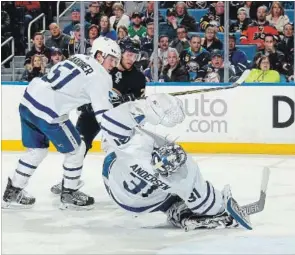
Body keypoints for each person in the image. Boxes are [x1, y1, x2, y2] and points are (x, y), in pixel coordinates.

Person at [2, 37, 121, 210]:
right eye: (112, 59)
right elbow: (103, 115)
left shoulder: (78, 57)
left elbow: (74, 87)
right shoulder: (101, 76)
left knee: (37, 150)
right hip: (49, 111)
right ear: (100, 55)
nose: (114, 65)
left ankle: (12, 193)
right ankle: (69, 194)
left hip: (29, 101)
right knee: (78, 149)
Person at [99, 93, 249, 230]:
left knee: (113, 146)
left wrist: (143, 107)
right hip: (145, 202)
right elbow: (206, 203)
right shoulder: (182, 178)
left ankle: (174, 209)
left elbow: (110, 122)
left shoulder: (136, 148)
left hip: (116, 188)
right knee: (172, 195)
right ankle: (175, 210)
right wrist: (222, 208)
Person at [50, 37, 146, 195]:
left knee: (122, 150)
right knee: (79, 146)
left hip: (117, 119)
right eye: (128, 54)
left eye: (135, 56)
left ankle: (130, 183)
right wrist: (85, 103)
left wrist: (129, 100)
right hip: (91, 115)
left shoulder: (138, 78)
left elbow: (138, 104)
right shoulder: (106, 67)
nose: (131, 59)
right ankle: (68, 182)